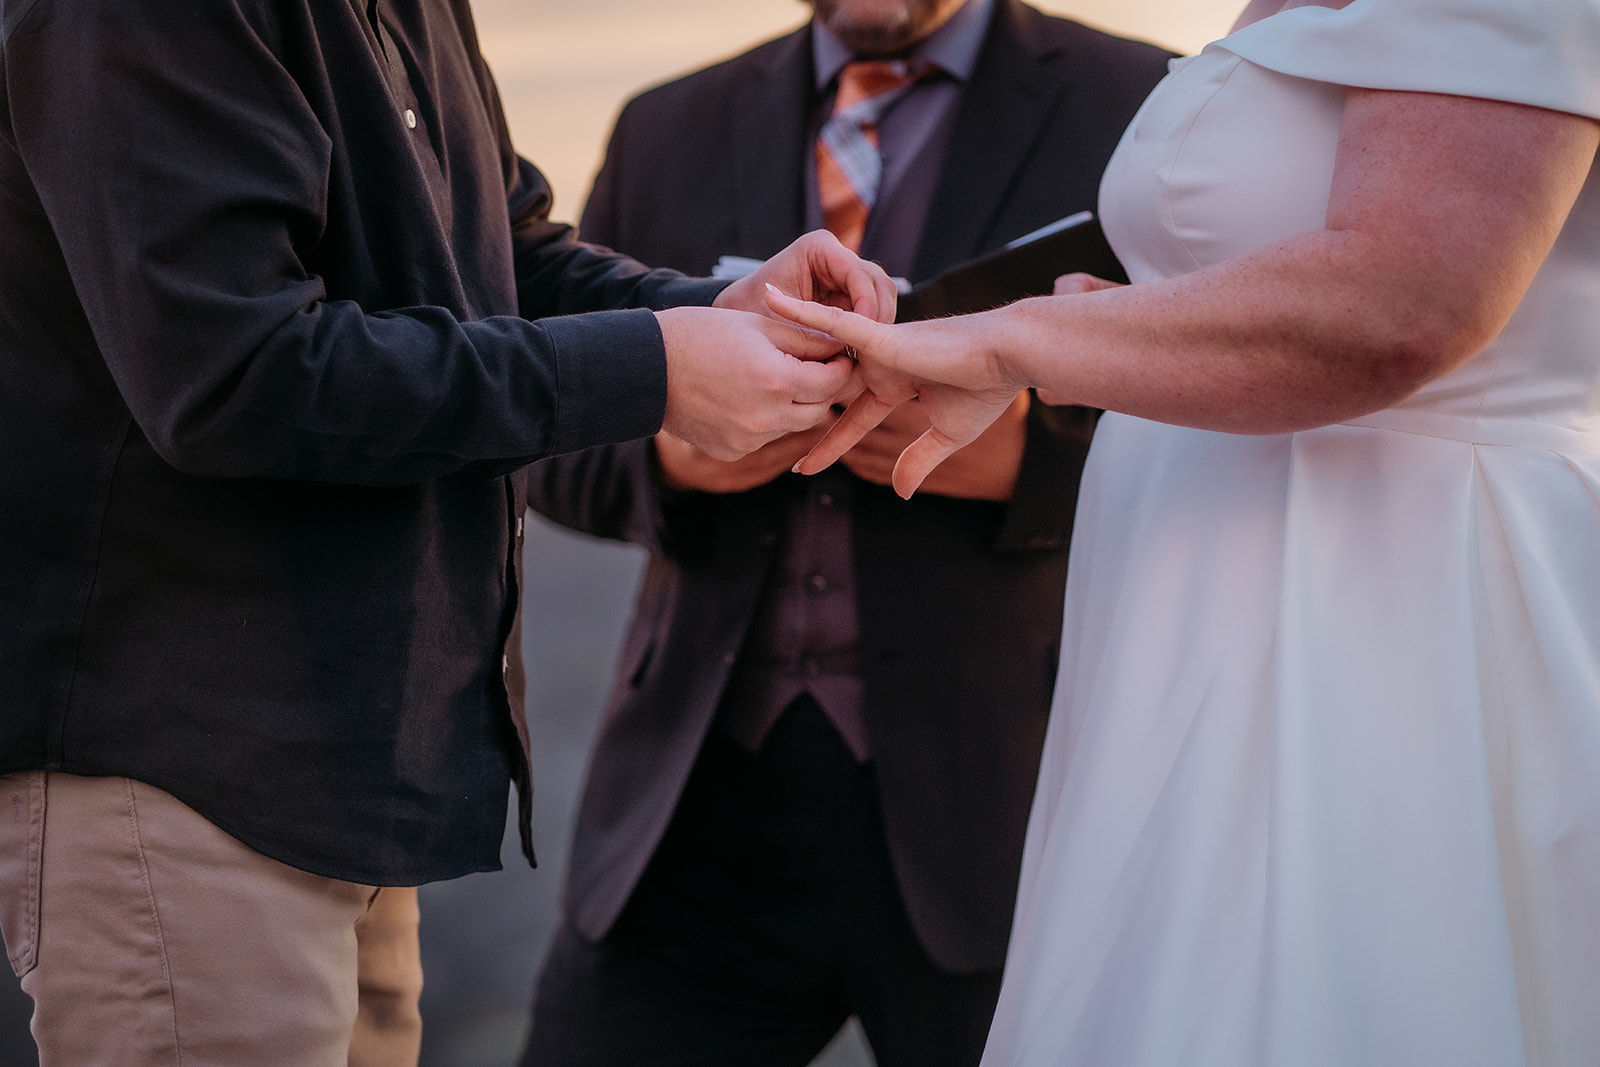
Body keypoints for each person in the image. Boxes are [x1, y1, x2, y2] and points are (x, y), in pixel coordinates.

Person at [0, 0, 895, 1063]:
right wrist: (656, 368)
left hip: (348, 763)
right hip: (182, 772)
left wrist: (718, 310)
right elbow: (234, 374)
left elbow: (501, 260)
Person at [770, 0, 1600, 1061]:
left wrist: (1009, 344)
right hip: (1207, 600)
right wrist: (1118, 322)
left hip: (1385, 604)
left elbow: (1403, 305)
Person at [518, 0, 1171, 1063]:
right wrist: (673, 452)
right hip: (689, 819)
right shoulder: (664, 126)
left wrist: (1024, 464)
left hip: (1013, 814)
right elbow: (547, 433)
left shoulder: (1145, 108)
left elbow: (1234, 430)